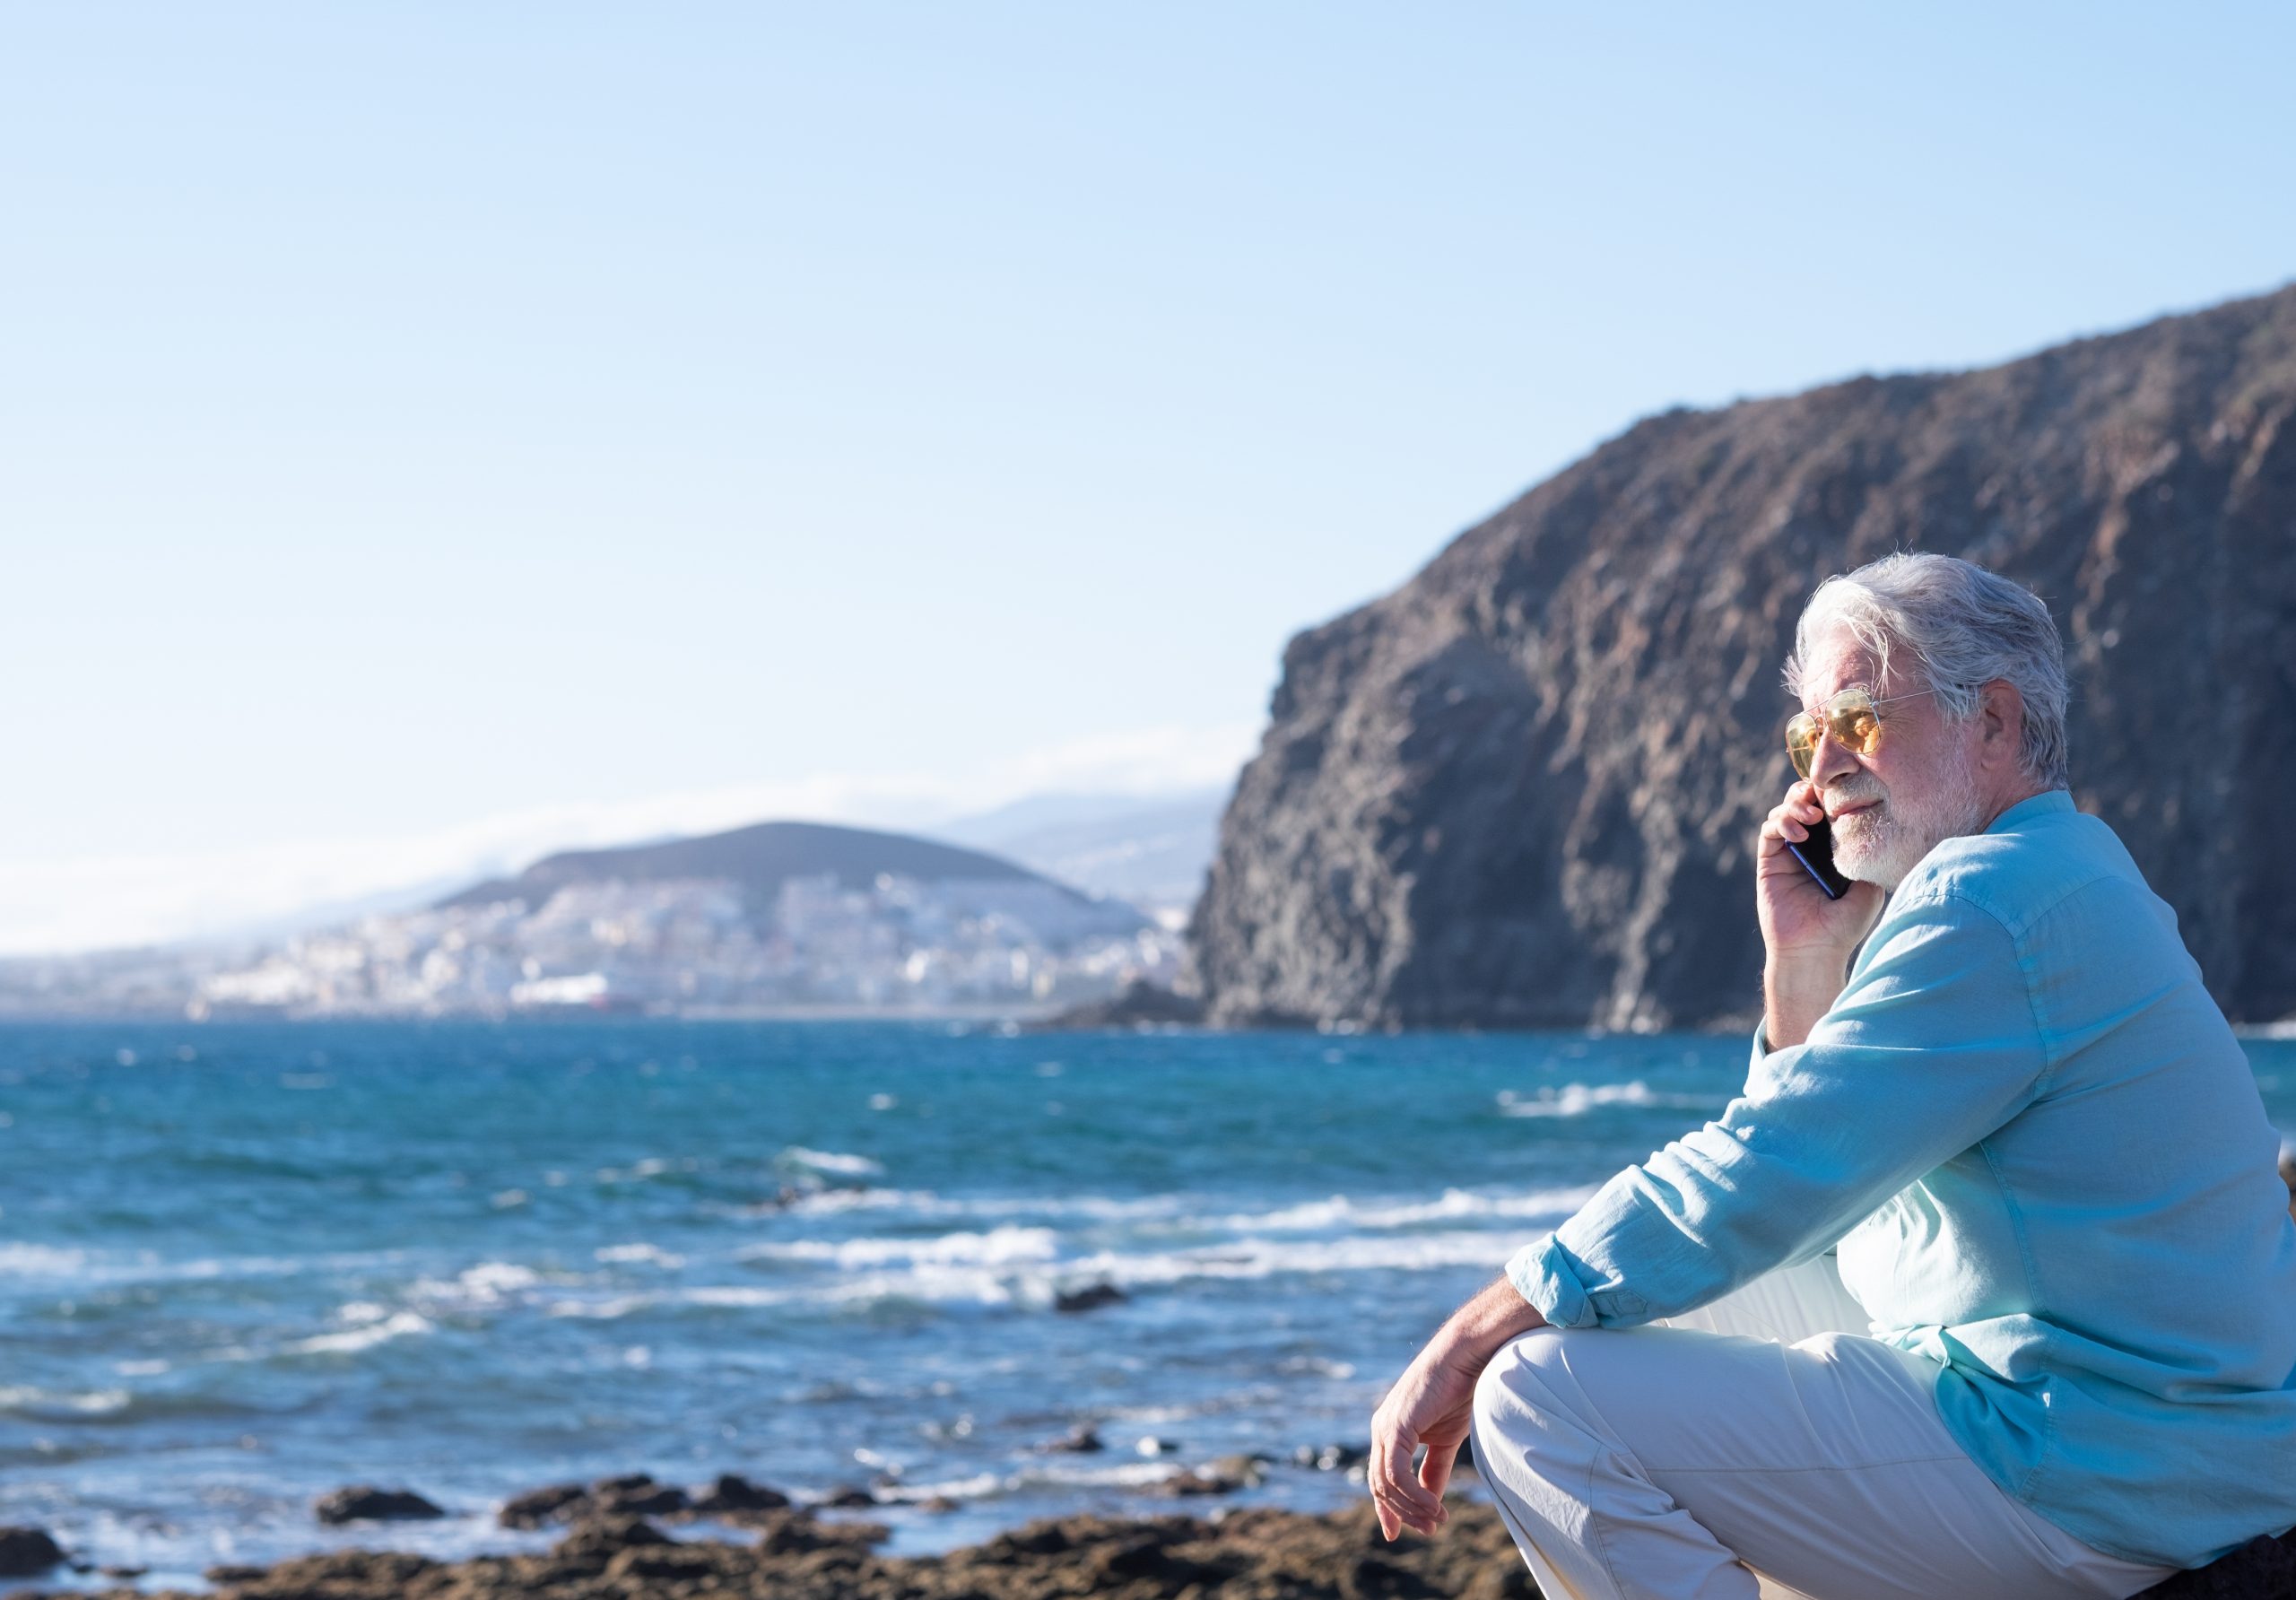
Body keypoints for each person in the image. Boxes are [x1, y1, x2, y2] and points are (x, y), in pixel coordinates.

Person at [1367, 553, 2296, 1600]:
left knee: (1539, 1393)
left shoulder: (1994, 896)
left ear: (1991, 720)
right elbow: (1823, 1183)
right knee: (1664, 1298)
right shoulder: (2058, 868)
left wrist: (1476, 1326)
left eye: (1854, 717)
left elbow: (1774, 1164)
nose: (1819, 771)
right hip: (2142, 1440)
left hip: (2103, 1469)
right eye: (1806, 736)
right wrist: (1805, 958)